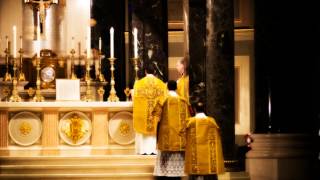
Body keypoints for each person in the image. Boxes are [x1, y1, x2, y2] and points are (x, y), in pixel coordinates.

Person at [153, 80, 190, 179]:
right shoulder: (183, 100)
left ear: (167, 87)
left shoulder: (162, 99)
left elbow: (156, 115)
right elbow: (188, 118)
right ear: (176, 87)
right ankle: (177, 175)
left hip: (166, 135)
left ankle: (164, 174)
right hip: (179, 135)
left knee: (165, 155)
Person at [132, 62, 167, 155]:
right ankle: (154, 150)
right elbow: (164, 99)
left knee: (143, 129)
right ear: (155, 71)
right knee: (155, 128)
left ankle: (142, 150)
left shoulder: (138, 83)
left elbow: (134, 97)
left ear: (145, 72)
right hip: (155, 114)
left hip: (143, 114)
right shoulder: (162, 84)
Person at [185, 102, 225, 180]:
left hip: (194, 158)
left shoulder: (190, 122)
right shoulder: (211, 121)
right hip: (209, 159)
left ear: (194, 109)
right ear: (204, 109)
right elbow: (218, 136)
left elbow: (183, 135)